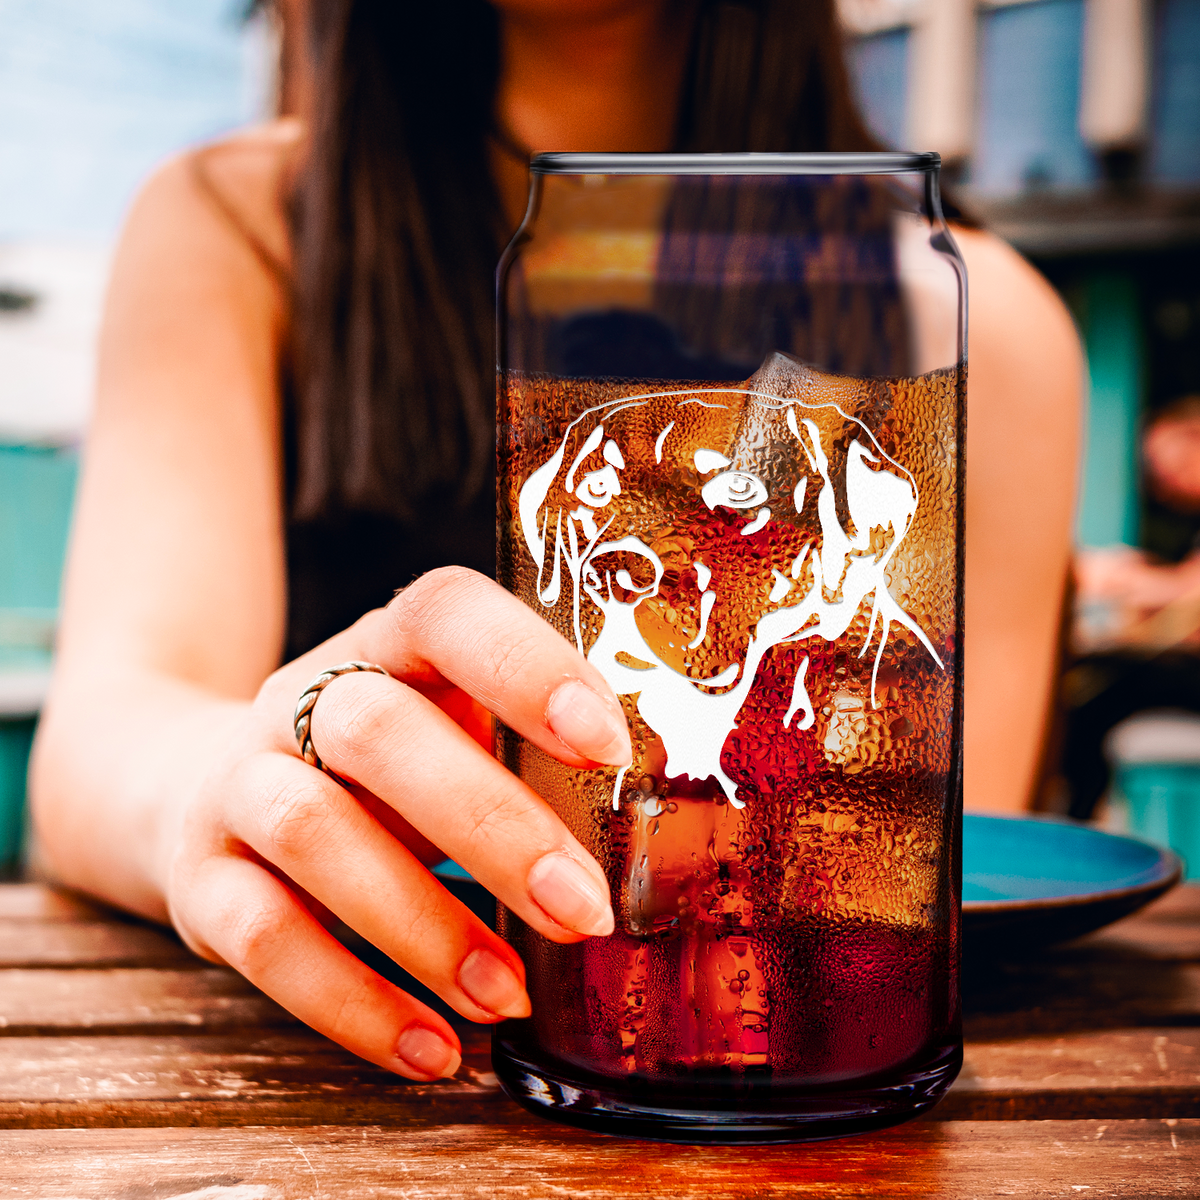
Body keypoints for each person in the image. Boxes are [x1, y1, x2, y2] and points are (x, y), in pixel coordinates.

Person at [29, 0, 1082, 1082]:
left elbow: (917, 890)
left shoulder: (975, 325)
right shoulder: (237, 225)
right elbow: (110, 729)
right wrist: (233, 785)